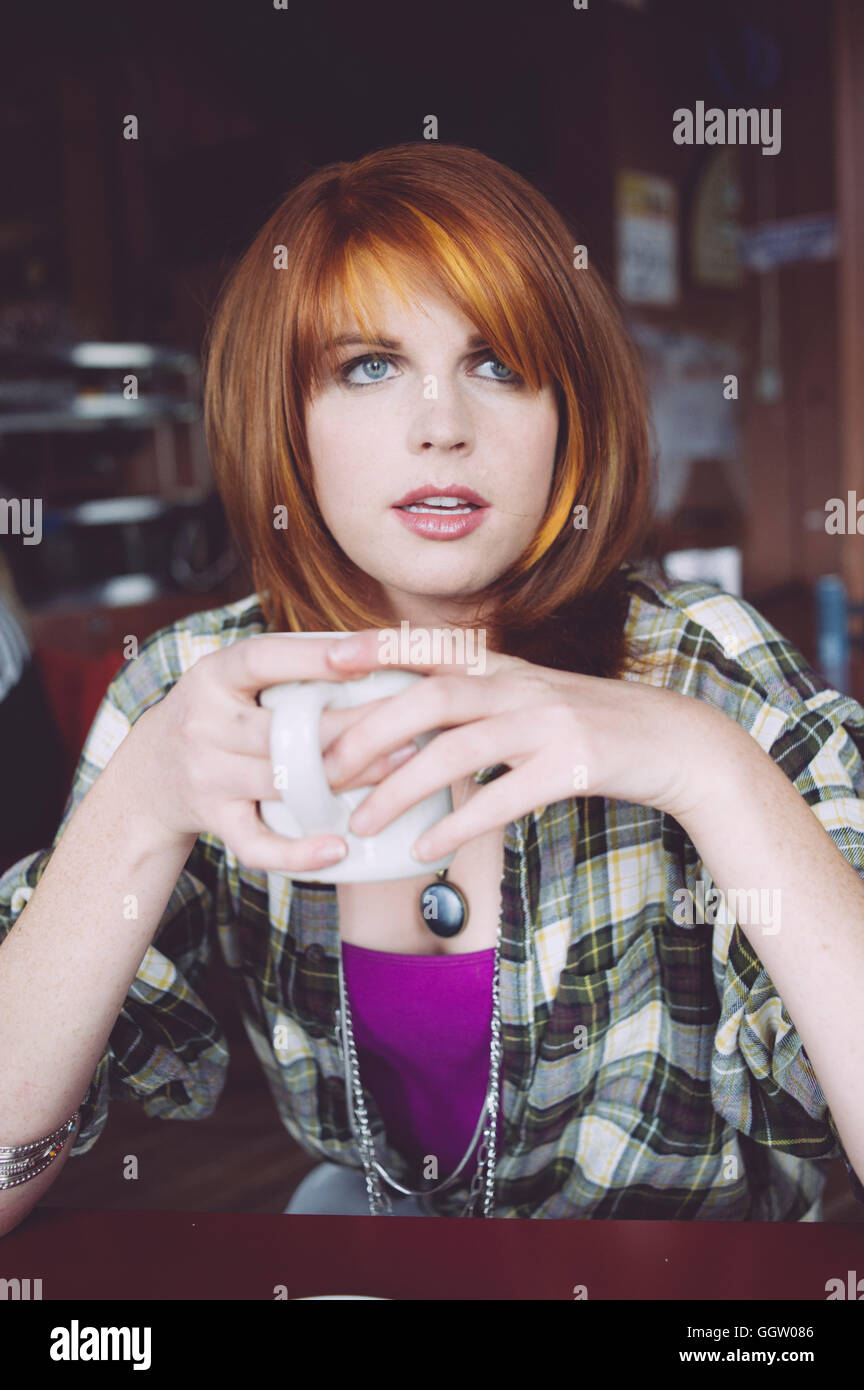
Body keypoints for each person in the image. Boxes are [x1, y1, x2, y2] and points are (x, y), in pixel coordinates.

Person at [1, 142, 863, 1230]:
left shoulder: (708, 662)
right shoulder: (195, 693)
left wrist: (706, 766)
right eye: (368, 365)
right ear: (289, 415)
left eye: (498, 362)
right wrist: (139, 807)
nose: (441, 423)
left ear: (571, 413)